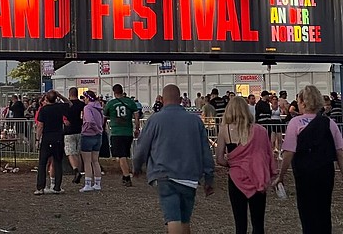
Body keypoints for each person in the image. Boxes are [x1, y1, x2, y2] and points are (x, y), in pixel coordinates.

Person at [133, 84, 215, 234]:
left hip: (164, 175)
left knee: (173, 218)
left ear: (163, 99)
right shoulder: (195, 121)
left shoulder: (155, 120)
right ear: (180, 100)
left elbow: (141, 148)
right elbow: (206, 152)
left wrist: (137, 167)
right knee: (185, 219)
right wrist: (209, 178)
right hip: (189, 176)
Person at [273, 85, 343, 234]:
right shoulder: (329, 123)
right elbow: (339, 151)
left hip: (304, 173)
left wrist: (281, 176)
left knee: (307, 212)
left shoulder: (295, 123)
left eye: (298, 100)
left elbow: (289, 152)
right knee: (324, 210)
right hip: (325, 172)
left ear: (303, 102)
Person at [215, 96, 276, 234]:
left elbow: (219, 158)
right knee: (258, 223)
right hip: (257, 178)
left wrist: (232, 164)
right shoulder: (260, 130)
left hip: (236, 179)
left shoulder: (224, 130)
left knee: (240, 224)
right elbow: (267, 154)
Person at [104, 83, 140, 187]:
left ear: (114, 92)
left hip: (116, 132)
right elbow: (137, 116)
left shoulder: (110, 104)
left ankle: (126, 176)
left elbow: (105, 117)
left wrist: (102, 127)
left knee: (121, 155)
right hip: (128, 131)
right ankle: (126, 174)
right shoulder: (130, 102)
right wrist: (136, 128)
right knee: (125, 154)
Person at [33, 89, 68, 195]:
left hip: (47, 137)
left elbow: (40, 126)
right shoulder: (60, 107)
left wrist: (37, 139)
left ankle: (40, 187)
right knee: (57, 162)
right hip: (58, 137)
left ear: (46, 98)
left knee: (42, 163)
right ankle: (57, 187)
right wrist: (60, 96)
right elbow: (69, 103)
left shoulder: (43, 110)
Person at [78, 90, 104, 192]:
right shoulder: (99, 108)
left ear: (88, 98)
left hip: (88, 135)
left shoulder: (87, 108)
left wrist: (90, 128)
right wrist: (99, 130)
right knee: (95, 160)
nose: (84, 99)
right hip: (98, 136)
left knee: (87, 161)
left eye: (85, 98)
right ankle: (97, 183)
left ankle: (88, 183)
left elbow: (89, 121)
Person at [64, 87, 85, 184]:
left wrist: (64, 120)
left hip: (69, 131)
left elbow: (62, 115)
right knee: (78, 152)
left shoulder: (66, 105)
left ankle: (75, 170)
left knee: (70, 152)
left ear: (69, 94)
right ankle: (80, 171)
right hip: (80, 130)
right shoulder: (82, 104)